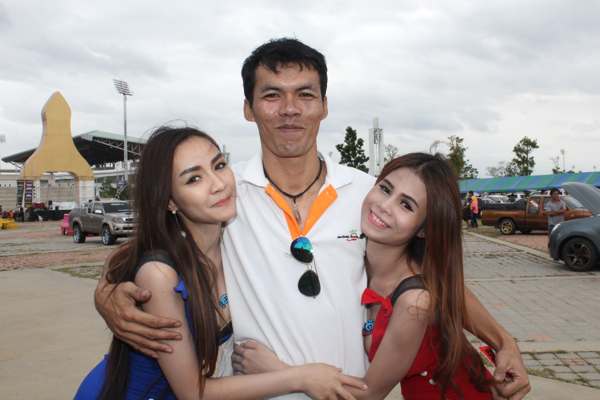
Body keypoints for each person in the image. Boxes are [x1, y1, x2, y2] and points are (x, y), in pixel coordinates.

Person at [94, 38, 530, 399]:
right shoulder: (225, 192)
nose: (290, 109)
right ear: (248, 108)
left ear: (324, 105)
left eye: (305, 94)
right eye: (272, 95)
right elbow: (154, 250)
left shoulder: (368, 194)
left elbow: (432, 277)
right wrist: (106, 293)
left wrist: (503, 340)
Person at [76, 126, 364, 399]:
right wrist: (299, 377)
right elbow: (193, 392)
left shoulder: (232, 240)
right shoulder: (161, 275)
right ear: (170, 201)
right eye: (193, 179)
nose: (218, 184)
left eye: (219, 165)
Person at [234, 153, 494, 399]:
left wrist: (279, 372)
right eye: (385, 189)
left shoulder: (414, 302)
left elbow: (370, 393)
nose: (384, 206)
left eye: (406, 205)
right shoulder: (364, 262)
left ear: (424, 229)